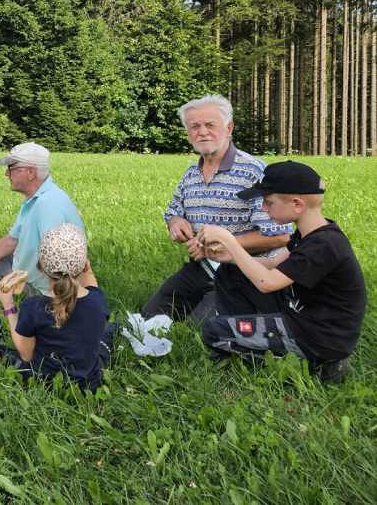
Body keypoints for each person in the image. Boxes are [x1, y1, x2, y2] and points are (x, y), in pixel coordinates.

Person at [199, 161, 366, 384]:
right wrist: (229, 257)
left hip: (318, 338)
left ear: (297, 204)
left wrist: (229, 240)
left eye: (268, 202)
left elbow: (266, 283)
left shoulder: (324, 245)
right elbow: (274, 263)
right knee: (232, 272)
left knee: (213, 331)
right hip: (301, 316)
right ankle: (245, 334)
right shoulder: (309, 234)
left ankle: (323, 365)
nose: (263, 208)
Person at [141, 95, 291, 325]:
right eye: (194, 126)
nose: (202, 132)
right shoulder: (191, 174)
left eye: (210, 125)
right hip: (202, 267)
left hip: (246, 271)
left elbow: (280, 235)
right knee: (148, 320)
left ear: (229, 128)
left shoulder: (254, 172)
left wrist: (224, 244)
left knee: (200, 331)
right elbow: (173, 212)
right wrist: (175, 222)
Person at [0, 143, 83, 296]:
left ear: (30, 172)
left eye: (11, 168)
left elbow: (58, 265)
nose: (6, 174)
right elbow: (10, 242)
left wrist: (17, 283)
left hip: (40, 287)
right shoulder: (36, 198)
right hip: (20, 269)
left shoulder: (47, 205)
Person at [0, 224, 113, 392]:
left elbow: (26, 354)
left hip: (47, 382)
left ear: (41, 267)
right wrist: (84, 264)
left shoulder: (33, 307)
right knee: (108, 334)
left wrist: (8, 305)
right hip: (88, 385)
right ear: (84, 265)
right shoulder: (97, 301)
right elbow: (91, 283)